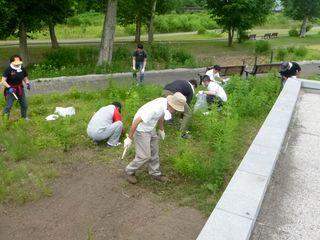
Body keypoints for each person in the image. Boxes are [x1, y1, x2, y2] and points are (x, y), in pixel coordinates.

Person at [123, 92, 187, 184]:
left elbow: (160, 116)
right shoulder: (155, 108)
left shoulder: (165, 106)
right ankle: (128, 171)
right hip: (141, 129)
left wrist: (161, 129)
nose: (175, 111)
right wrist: (129, 138)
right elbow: (136, 121)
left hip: (150, 127)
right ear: (171, 105)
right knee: (144, 156)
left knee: (154, 151)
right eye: (175, 109)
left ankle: (155, 173)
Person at [2, 55, 31, 119]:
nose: (17, 63)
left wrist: (28, 83)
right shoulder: (8, 69)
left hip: (20, 89)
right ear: (11, 62)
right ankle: (4, 120)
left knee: (24, 105)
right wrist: (9, 87)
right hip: (10, 90)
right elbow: (3, 81)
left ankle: (24, 117)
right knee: (8, 106)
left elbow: (25, 78)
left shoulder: (22, 68)